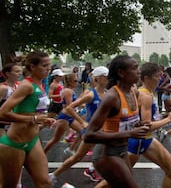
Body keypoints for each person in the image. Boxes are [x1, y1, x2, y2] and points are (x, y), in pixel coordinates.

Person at [83, 55, 151, 188]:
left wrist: (138, 124)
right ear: (121, 73)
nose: (139, 71)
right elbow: (89, 135)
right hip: (106, 153)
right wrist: (131, 133)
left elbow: (122, 122)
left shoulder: (133, 93)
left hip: (122, 150)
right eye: (134, 68)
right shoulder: (112, 97)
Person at [0, 51, 55, 188]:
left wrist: (44, 120)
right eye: (44, 65)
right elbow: (3, 113)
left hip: (32, 141)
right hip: (14, 143)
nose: (48, 68)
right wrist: (33, 119)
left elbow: (32, 111)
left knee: (44, 182)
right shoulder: (26, 86)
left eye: (49, 65)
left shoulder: (40, 84)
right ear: (32, 67)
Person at [48, 66, 109, 185]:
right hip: (91, 132)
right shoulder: (91, 95)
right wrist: (82, 122)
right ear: (98, 79)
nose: (109, 79)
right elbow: (70, 108)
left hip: (102, 131)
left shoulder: (107, 94)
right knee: (77, 157)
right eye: (106, 77)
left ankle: (92, 169)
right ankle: (53, 175)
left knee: (108, 152)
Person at [127, 62, 171, 188]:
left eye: (160, 76)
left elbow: (146, 119)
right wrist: (169, 119)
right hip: (141, 141)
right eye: (157, 76)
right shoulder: (146, 96)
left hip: (145, 140)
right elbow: (146, 126)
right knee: (118, 178)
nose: (160, 79)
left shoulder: (144, 93)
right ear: (146, 78)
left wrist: (163, 117)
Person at [43, 73, 83, 155]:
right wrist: (81, 104)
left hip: (69, 117)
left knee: (83, 132)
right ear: (70, 82)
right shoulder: (68, 91)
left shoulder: (69, 90)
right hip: (65, 117)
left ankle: (71, 149)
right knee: (55, 139)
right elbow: (69, 106)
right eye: (75, 81)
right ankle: (42, 154)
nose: (77, 83)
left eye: (77, 81)